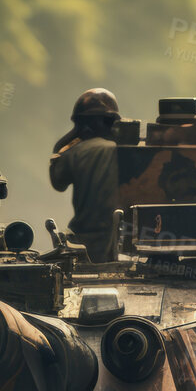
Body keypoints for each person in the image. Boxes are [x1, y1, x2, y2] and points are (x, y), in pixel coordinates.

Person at [48, 87, 121, 262]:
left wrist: (64, 144)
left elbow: (58, 183)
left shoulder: (73, 153)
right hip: (114, 240)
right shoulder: (122, 151)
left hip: (81, 240)